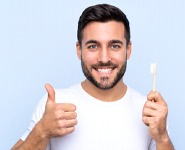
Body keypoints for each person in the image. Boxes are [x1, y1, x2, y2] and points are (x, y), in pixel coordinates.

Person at [11, 4, 174, 150]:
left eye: (115, 46)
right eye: (93, 46)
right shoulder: (55, 105)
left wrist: (162, 138)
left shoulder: (151, 112)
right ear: (79, 50)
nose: (104, 58)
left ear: (128, 49)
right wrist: (41, 132)